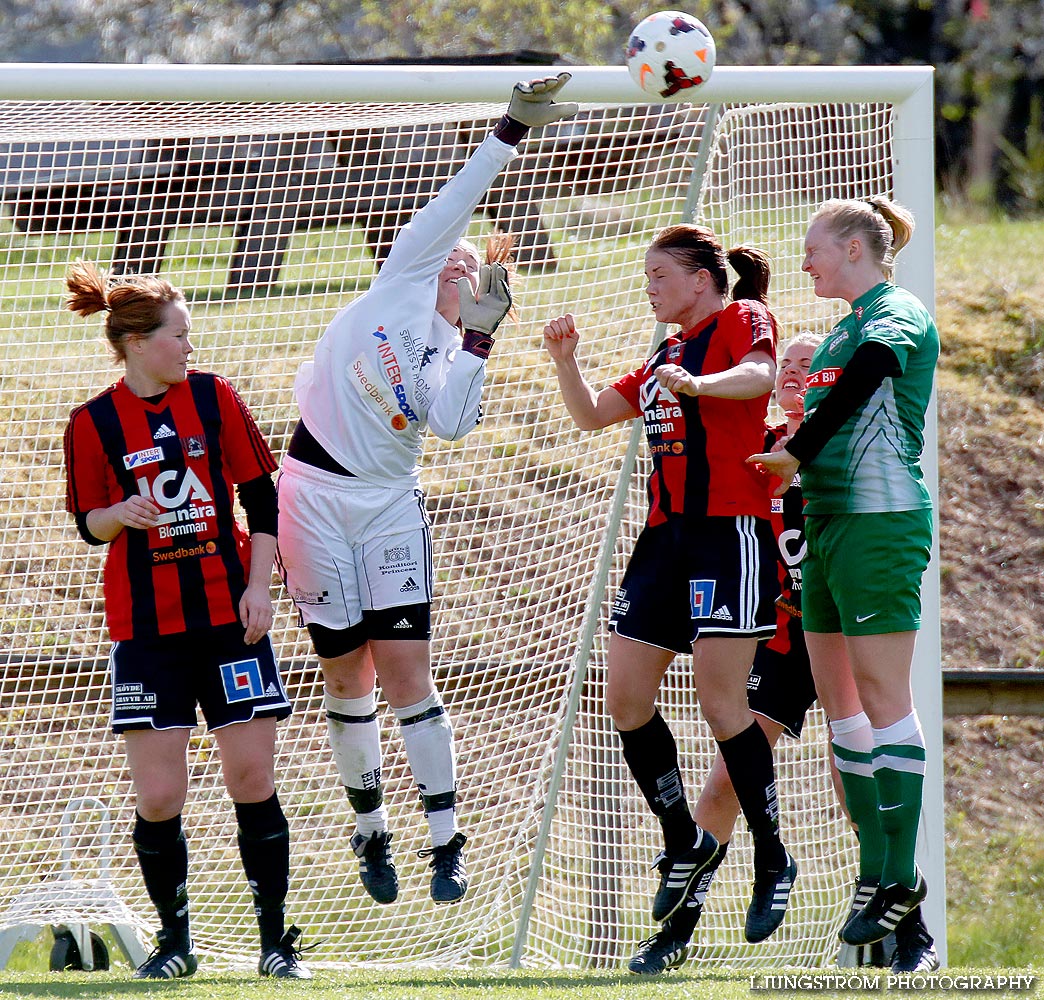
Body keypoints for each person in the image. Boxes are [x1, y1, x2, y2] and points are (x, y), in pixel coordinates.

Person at [274, 76, 578, 906]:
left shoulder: (457, 352)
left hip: (388, 506)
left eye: (471, 261)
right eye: (452, 250)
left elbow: (448, 425)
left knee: (408, 673)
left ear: (478, 286)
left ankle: (446, 843)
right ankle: (370, 829)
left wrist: (480, 335)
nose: (457, 254)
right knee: (345, 676)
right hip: (312, 495)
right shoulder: (401, 279)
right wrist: (512, 127)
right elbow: (457, 200)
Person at [543, 224, 796, 956]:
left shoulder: (740, 318)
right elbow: (592, 413)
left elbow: (755, 375)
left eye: (660, 274)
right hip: (664, 543)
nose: (650, 287)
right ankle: (683, 837)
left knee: (721, 704)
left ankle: (773, 857)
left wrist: (699, 385)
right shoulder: (664, 353)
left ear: (700, 279)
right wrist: (568, 362)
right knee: (624, 697)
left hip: (730, 535)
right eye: (647, 276)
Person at [62, 262, 310, 980]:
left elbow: (263, 504)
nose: (189, 348)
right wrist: (117, 514)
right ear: (138, 343)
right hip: (146, 633)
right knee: (160, 794)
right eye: (180, 336)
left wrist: (259, 589)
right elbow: (87, 523)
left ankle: (274, 944)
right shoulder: (92, 423)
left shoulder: (214, 398)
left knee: (251, 778)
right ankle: (175, 945)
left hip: (229, 620)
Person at [747, 196, 940, 974]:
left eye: (815, 249)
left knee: (885, 697)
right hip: (827, 527)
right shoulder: (836, 326)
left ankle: (900, 874)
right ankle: (875, 877)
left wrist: (799, 450)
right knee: (844, 711)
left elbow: (868, 378)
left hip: (879, 522)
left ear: (856, 249)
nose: (805, 263)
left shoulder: (892, 312)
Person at [627, 332, 824, 974]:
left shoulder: (839, 453)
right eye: (785, 365)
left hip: (822, 637)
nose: (793, 374)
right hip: (768, 636)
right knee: (721, 783)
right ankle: (676, 933)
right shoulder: (752, 445)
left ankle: (903, 924)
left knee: (859, 791)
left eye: (807, 366)